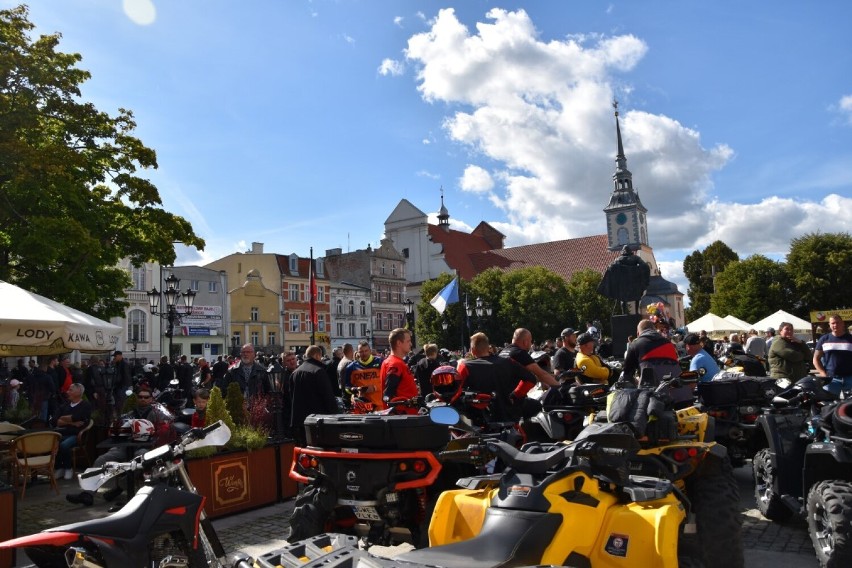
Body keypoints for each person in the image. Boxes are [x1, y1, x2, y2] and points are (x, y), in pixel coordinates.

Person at [456, 332, 538, 421]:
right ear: (488, 348)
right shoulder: (507, 362)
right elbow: (531, 379)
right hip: (507, 415)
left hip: (478, 419)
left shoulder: (465, 366)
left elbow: (455, 390)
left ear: (472, 350)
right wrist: (516, 395)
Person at [289, 345, 338, 446]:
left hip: (300, 421)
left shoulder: (294, 373)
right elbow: (328, 397)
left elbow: (291, 397)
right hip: (317, 420)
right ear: (317, 356)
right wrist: (335, 415)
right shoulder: (318, 371)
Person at [53, 383, 93, 480]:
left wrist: (63, 419)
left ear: (78, 392)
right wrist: (72, 423)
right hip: (62, 433)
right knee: (53, 443)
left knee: (64, 445)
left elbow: (79, 417)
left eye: (70, 390)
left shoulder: (85, 405)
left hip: (76, 434)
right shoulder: (65, 404)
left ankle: (68, 468)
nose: (67, 392)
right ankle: (59, 468)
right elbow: (55, 420)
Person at [621, 319, 680, 384]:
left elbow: (626, 376)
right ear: (654, 330)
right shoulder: (669, 344)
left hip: (651, 391)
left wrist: (636, 382)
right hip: (678, 389)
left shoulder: (635, 345)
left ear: (638, 334)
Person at [814, 315, 852, 395]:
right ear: (829, 325)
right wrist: (823, 374)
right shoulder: (824, 339)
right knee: (830, 405)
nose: (835, 325)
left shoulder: (850, 339)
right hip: (831, 379)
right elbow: (816, 359)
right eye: (833, 323)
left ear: (843, 324)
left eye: (837, 323)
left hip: (850, 378)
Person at [340, 341, 384, 409]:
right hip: (361, 406)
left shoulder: (380, 362)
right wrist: (356, 389)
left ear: (370, 351)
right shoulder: (351, 367)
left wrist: (375, 387)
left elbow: (388, 382)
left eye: (366, 351)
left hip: (380, 406)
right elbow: (347, 387)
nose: (364, 353)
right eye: (361, 351)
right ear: (357, 352)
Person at [381, 328, 419, 404]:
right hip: (402, 413)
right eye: (408, 341)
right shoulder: (395, 364)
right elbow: (388, 395)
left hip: (404, 413)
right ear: (399, 343)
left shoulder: (393, 362)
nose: (411, 344)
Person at [110, 351, 132, 417]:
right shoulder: (118, 364)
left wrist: (128, 386)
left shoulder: (124, 364)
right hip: (118, 386)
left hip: (122, 386)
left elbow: (127, 376)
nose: (114, 358)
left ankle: (120, 416)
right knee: (118, 403)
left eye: (115, 356)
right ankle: (118, 415)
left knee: (121, 402)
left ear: (120, 356)